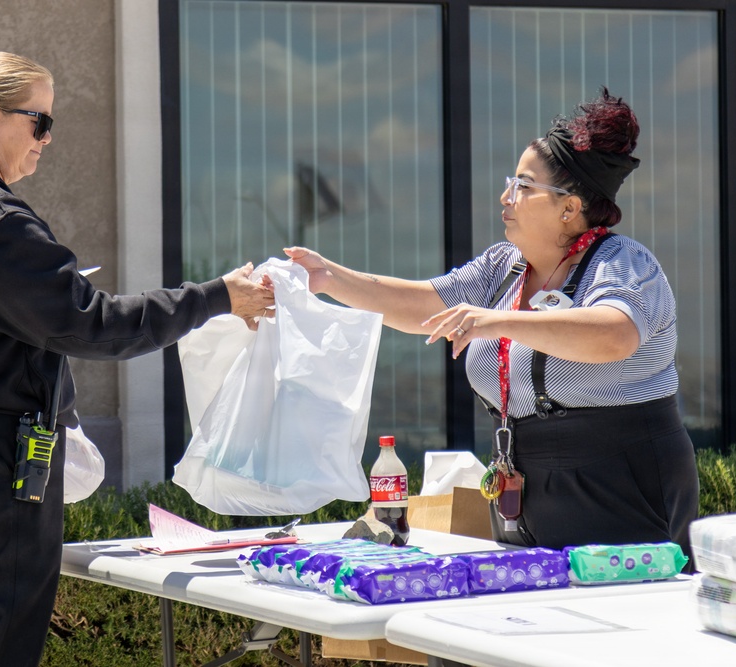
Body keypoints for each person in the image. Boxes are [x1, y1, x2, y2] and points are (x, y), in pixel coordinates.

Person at [0, 44, 273, 667]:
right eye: (40, 122)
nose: (47, 139)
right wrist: (217, 296)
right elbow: (96, 326)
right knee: (0, 642)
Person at [286, 89, 698, 557]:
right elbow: (424, 304)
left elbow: (614, 334)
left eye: (523, 185)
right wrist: (328, 276)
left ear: (569, 207)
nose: (506, 196)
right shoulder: (504, 266)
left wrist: (497, 321)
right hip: (526, 497)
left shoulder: (623, 264)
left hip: (625, 490)